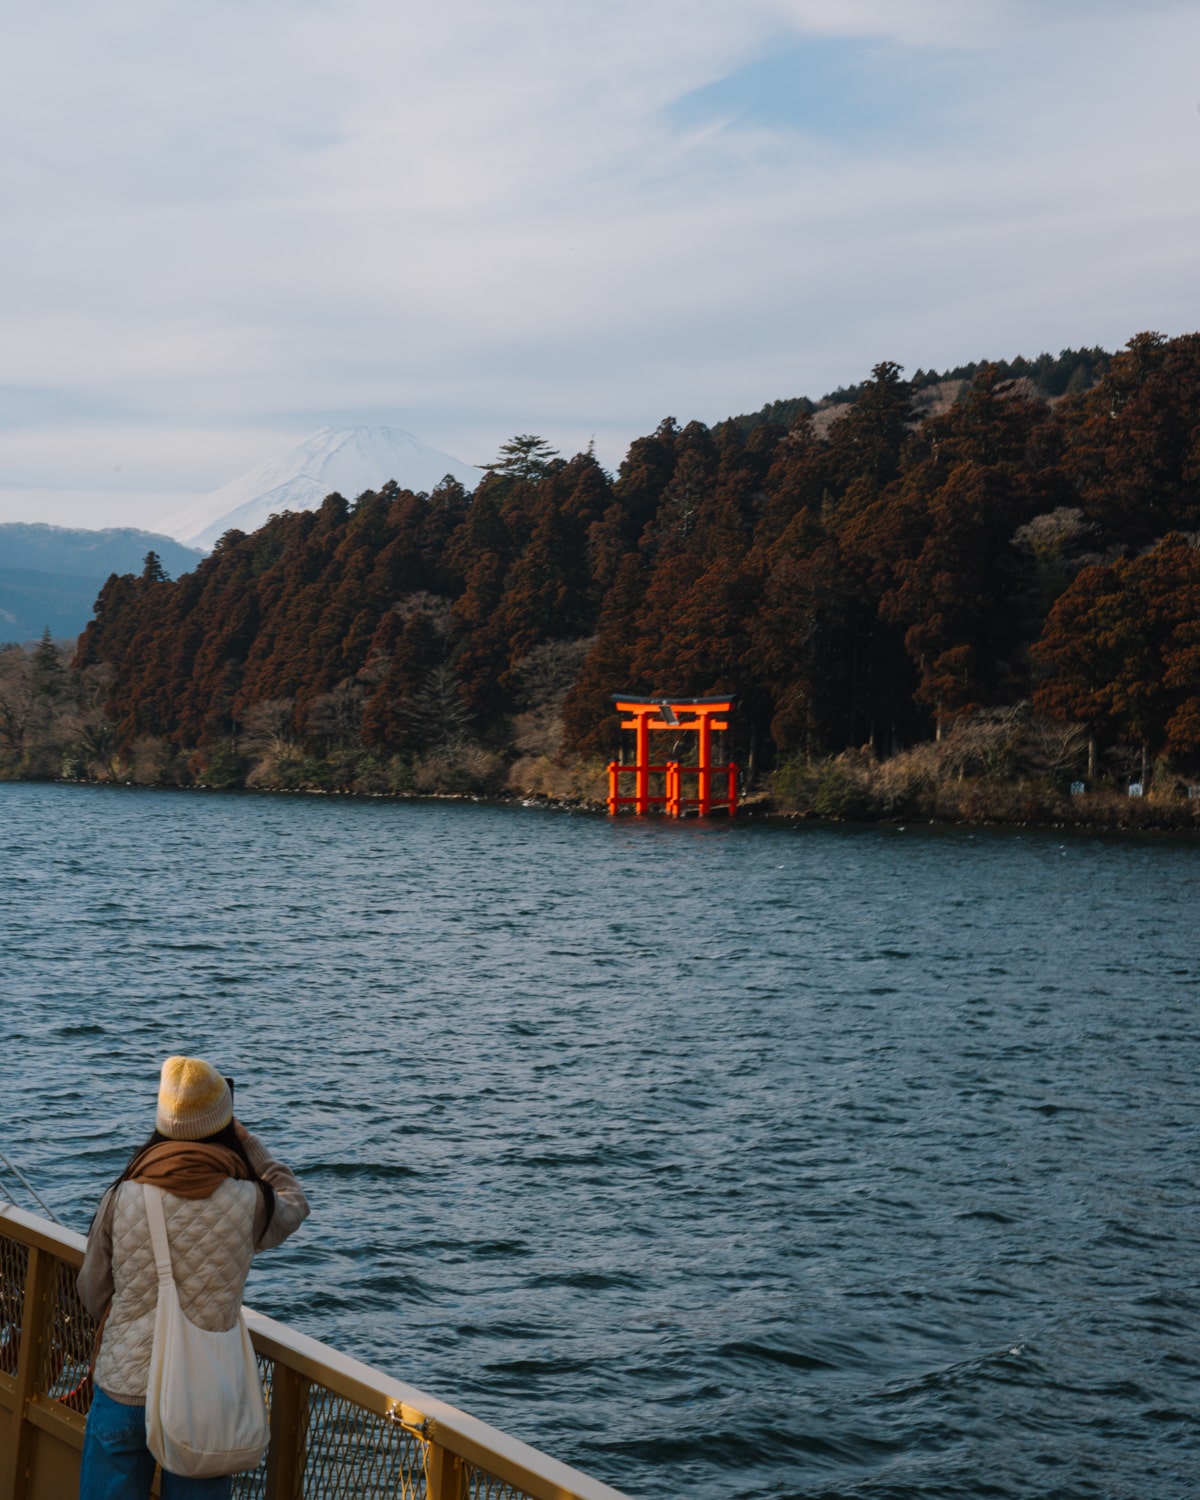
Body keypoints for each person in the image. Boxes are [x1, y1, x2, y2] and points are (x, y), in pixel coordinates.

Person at [77, 1056, 309, 1499]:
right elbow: (294, 1202)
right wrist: (248, 1143)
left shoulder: (122, 1193)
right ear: (223, 1121)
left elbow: (92, 1290)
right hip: (202, 1397)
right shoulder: (250, 1201)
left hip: (124, 1387)